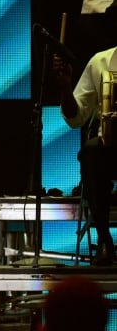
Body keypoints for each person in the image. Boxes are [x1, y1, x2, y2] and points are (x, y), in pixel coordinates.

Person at [53, 47, 117, 265]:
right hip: (111, 149)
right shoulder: (101, 61)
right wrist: (65, 87)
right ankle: (104, 241)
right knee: (90, 153)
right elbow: (76, 116)